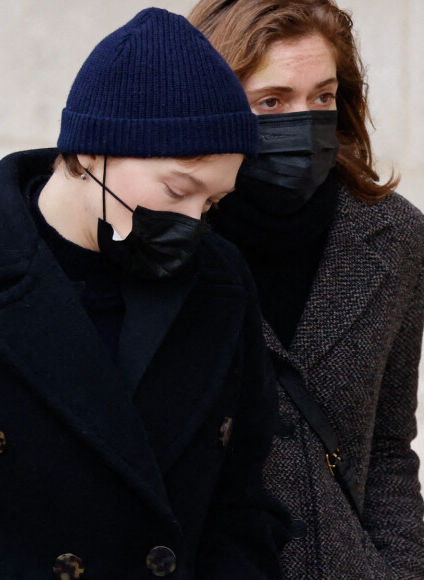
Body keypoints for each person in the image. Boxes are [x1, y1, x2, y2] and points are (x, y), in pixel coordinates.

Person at [0, 8, 291, 579]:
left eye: (211, 204)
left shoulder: (220, 282)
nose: (192, 221)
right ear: (87, 152)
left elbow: (240, 507)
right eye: (178, 189)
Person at [188, 0, 424, 578]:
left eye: (321, 97)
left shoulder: (394, 236)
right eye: (272, 102)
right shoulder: (171, 236)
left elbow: (388, 442)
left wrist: (400, 566)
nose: (304, 119)